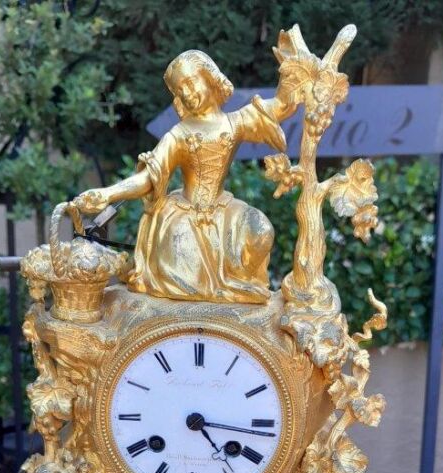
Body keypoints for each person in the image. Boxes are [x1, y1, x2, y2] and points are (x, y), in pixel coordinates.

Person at [72, 49, 298, 304]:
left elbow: (282, 105)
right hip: (184, 214)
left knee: (261, 230)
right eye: (180, 91)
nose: (187, 94)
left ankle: (238, 283)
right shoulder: (178, 135)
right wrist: (107, 193)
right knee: (181, 258)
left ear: (210, 77)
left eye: (191, 83)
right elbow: (149, 178)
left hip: (224, 211)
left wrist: (292, 72)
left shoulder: (237, 123)